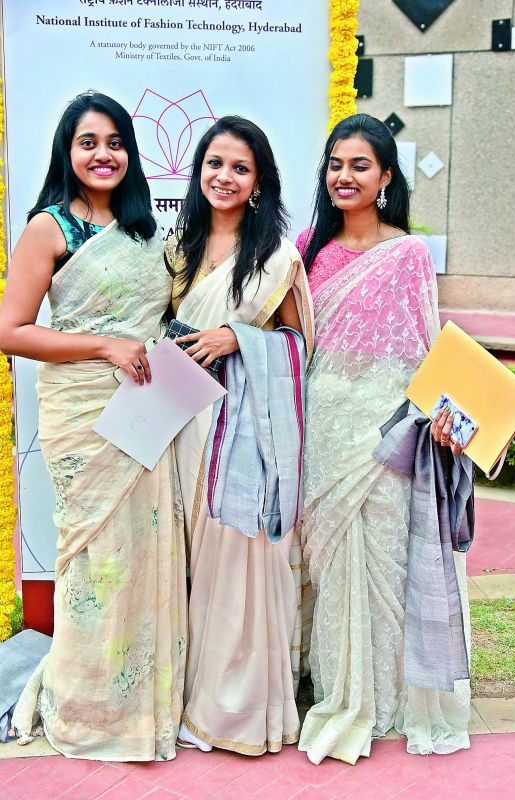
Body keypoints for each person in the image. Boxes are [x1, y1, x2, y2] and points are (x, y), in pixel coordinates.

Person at [0, 92, 187, 761]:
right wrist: (103, 347)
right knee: (93, 561)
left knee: (146, 554)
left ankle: (143, 702)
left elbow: (169, 318)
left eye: (114, 143)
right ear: (67, 152)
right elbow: (10, 331)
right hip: (83, 415)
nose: (102, 155)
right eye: (88, 143)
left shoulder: (148, 233)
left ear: (131, 154)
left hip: (148, 409)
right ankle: (86, 704)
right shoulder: (49, 228)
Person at [296, 113, 471, 766]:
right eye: (336, 164)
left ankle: (389, 699)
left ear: (386, 176)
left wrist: (449, 422)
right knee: (334, 569)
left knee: (383, 567)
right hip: (322, 432)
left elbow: (426, 355)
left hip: (385, 434)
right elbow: (295, 346)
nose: (344, 175)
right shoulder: (306, 247)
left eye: (359, 165)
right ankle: (342, 691)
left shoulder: (406, 254)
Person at [165, 115, 314, 756]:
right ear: (198, 174)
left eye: (240, 168)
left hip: (244, 435)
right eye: (214, 164)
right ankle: (179, 693)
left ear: (258, 183)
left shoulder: (277, 258)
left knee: (238, 555)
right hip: (179, 424)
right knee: (184, 559)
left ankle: (234, 706)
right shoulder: (176, 248)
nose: (224, 177)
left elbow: (300, 346)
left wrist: (239, 339)